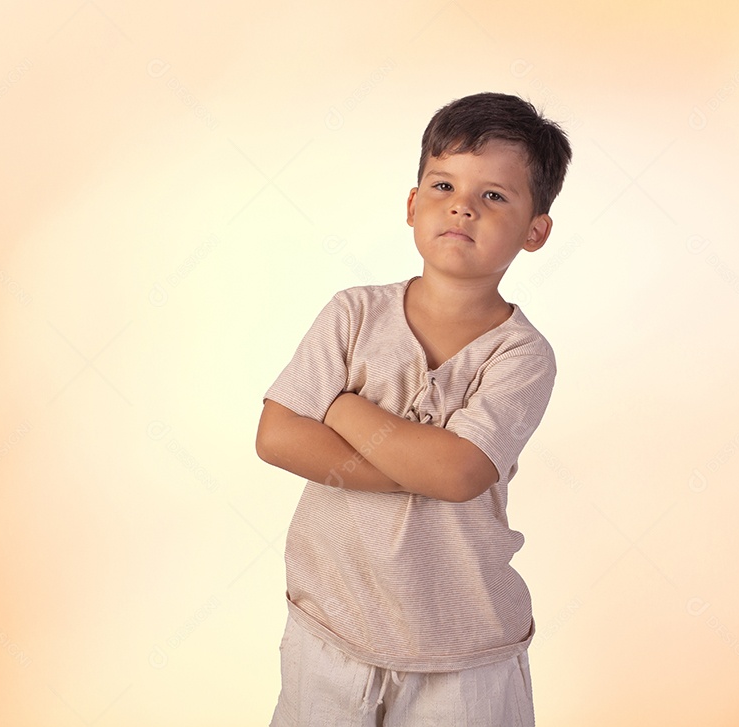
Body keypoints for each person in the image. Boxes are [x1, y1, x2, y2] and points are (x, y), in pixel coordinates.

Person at [256, 91, 572, 726]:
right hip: (329, 631)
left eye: (494, 196)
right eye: (444, 184)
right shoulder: (353, 314)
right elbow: (278, 436)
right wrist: (413, 467)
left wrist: (341, 407)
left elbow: (458, 474)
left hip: (460, 651)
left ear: (535, 231)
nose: (462, 205)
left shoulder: (520, 356)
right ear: (411, 204)